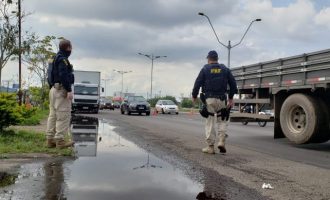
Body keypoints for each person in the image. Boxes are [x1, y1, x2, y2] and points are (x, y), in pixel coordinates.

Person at [192, 50, 237, 154]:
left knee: (210, 121)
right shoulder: (225, 69)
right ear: (217, 59)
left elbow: (197, 83)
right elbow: (233, 84)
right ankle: (221, 141)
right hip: (222, 99)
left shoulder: (205, 69)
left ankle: (210, 147)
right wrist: (230, 98)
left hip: (209, 100)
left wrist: (194, 96)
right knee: (222, 120)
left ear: (208, 59)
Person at [46, 39, 75, 149]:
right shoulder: (63, 60)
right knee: (63, 116)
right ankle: (60, 142)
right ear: (68, 48)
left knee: (52, 116)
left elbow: (50, 75)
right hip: (61, 90)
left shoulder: (54, 58)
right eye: (70, 47)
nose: (71, 50)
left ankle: (50, 140)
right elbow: (63, 75)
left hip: (53, 89)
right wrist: (68, 90)